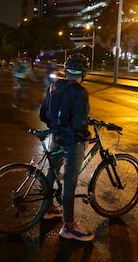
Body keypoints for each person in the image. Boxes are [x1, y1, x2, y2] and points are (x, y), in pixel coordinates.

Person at [39, 53, 94, 242]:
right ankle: (69, 226)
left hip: (56, 136)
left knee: (51, 171)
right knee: (70, 182)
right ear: (83, 73)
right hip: (72, 142)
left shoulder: (54, 86)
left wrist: (57, 127)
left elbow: (42, 114)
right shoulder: (79, 92)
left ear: (66, 70)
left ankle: (47, 208)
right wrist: (86, 136)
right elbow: (79, 123)